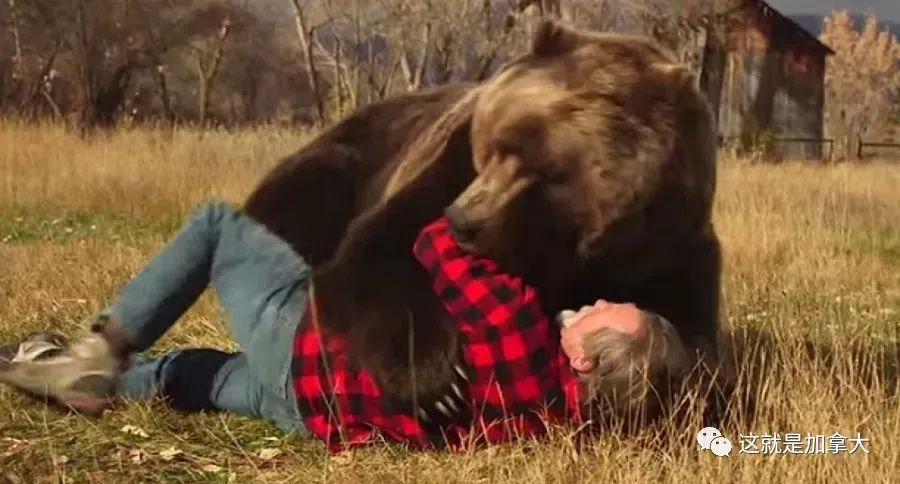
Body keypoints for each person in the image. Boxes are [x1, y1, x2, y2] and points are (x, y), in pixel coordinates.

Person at [0, 200, 688, 452]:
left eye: (605, 315)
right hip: (315, 415)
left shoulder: (517, 323)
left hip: (310, 341)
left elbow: (434, 240)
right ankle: (87, 377)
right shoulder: (552, 426)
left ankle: (97, 353)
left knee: (217, 228)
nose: (596, 305)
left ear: (589, 359)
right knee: (200, 376)